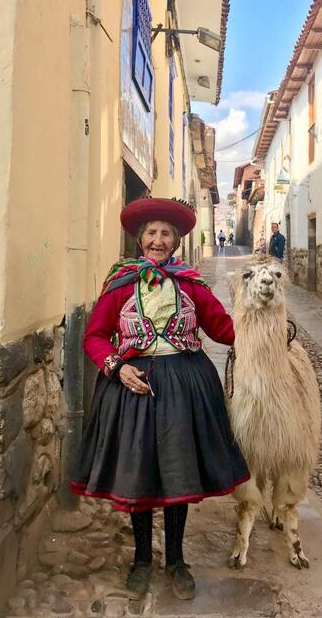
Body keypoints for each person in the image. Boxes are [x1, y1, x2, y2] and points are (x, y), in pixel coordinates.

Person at [71, 197, 249, 601]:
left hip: (185, 387)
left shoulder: (190, 284)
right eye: (151, 232)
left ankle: (177, 560)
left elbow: (222, 328)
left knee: (178, 473)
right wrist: (117, 367)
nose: (158, 240)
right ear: (140, 239)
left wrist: (265, 333)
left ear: (177, 241)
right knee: (139, 475)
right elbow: (95, 336)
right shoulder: (120, 283)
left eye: (165, 233)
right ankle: (141, 560)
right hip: (134, 386)